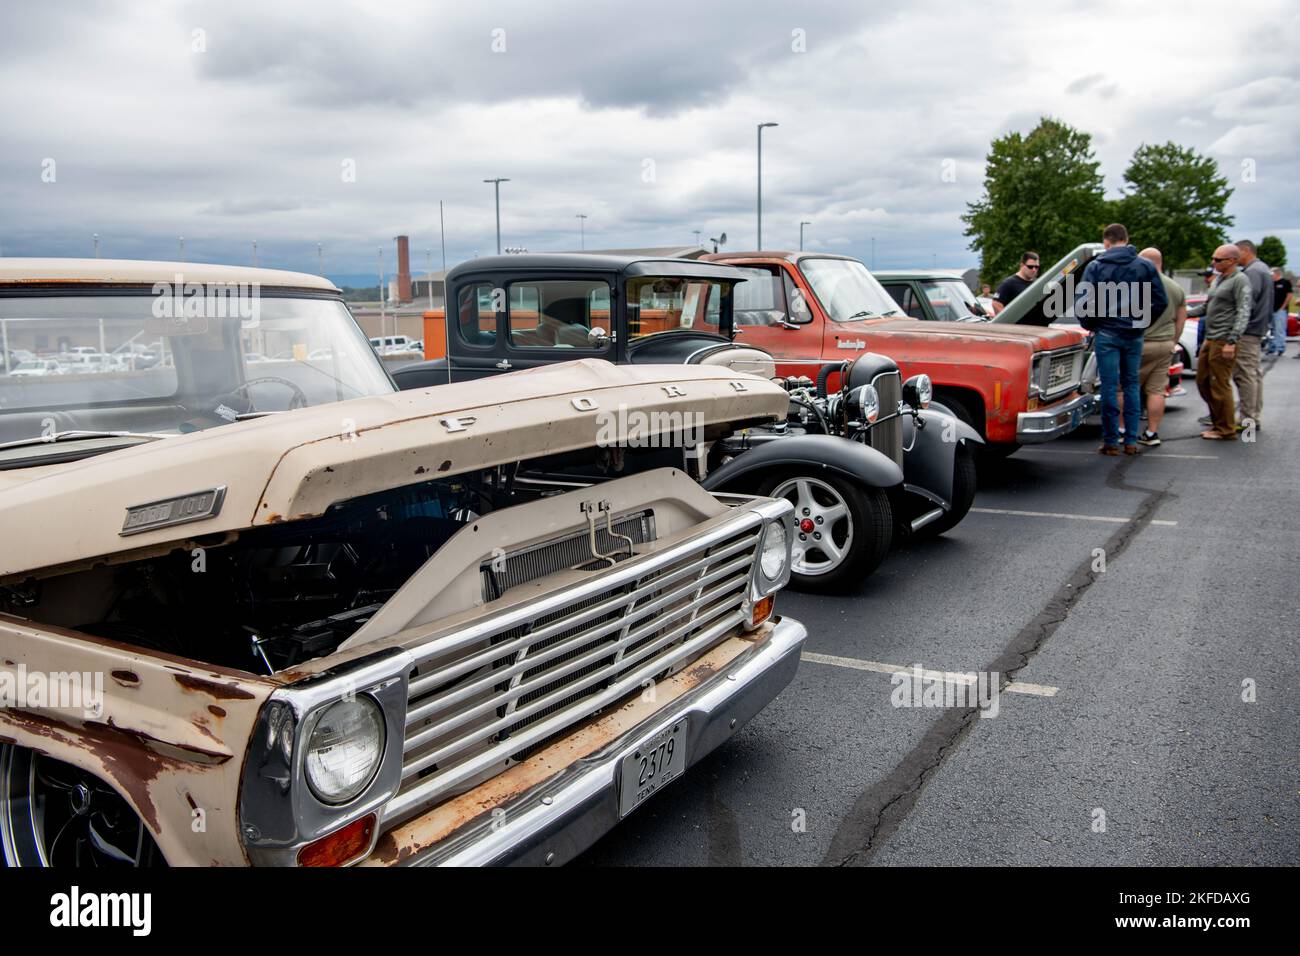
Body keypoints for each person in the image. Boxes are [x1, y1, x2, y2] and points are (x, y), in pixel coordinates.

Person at [1075, 224, 1167, 455]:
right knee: (1132, 385)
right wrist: (1141, 323)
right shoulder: (1144, 266)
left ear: (1106, 242)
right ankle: (1131, 440)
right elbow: (1160, 301)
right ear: (1127, 239)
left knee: (1108, 387)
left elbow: (1083, 302)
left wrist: (1093, 325)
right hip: (1134, 334)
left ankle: (1111, 441)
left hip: (1107, 333)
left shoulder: (1096, 267)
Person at [1188, 245, 1252, 439]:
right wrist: (1181, 313)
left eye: (1218, 260)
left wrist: (1232, 341)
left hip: (1224, 339)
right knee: (1203, 382)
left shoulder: (1240, 280)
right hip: (1210, 338)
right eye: (1213, 259)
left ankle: (1226, 429)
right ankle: (1218, 423)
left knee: (1220, 384)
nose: (1213, 263)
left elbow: (1243, 310)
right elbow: (1207, 307)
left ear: (1232, 260)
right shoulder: (1218, 280)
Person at [1134, 248, 1186, 446]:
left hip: (1139, 344)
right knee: (1156, 390)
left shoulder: (1137, 285)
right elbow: (1181, 319)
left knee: (1127, 389)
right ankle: (1152, 433)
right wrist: (1173, 341)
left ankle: (1123, 431)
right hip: (1164, 344)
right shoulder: (1175, 287)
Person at [1231, 239, 1272, 428]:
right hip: (1257, 328)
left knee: (1245, 374)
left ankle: (1248, 417)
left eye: (1236, 252)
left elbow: (1247, 302)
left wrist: (1236, 330)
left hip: (1248, 330)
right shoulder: (1263, 269)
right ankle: (1253, 415)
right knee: (1254, 374)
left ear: (1246, 251)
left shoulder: (1253, 272)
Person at [1270, 266, 1292, 355]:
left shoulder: (1285, 283)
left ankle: (1280, 347)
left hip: (1280, 310)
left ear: (1277, 274)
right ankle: (1272, 347)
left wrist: (1283, 307)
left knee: (1280, 329)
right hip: (1271, 309)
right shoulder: (1271, 283)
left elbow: (1289, 295)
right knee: (1272, 330)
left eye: (1272, 274)